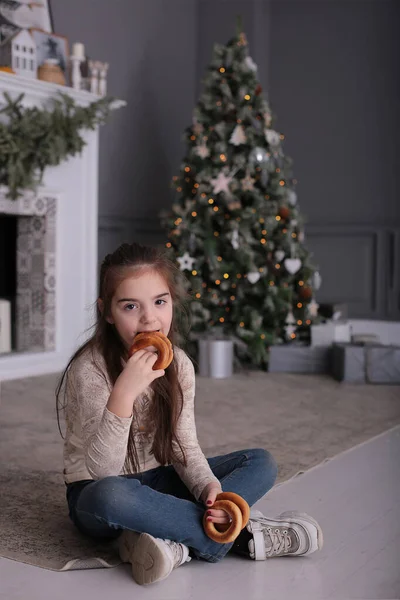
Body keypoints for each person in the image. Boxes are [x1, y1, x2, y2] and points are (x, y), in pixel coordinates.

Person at [56, 242, 323, 586]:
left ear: (171, 304)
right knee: (111, 495)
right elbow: (103, 471)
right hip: (95, 494)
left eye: (159, 302)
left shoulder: (178, 363)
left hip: (158, 480)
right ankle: (240, 536)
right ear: (107, 312)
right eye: (130, 306)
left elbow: (184, 447)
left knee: (261, 462)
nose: (149, 318)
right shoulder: (88, 370)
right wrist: (123, 393)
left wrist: (208, 488)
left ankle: (166, 538)